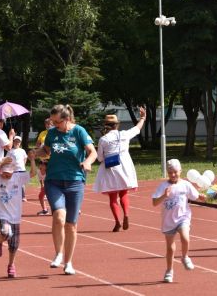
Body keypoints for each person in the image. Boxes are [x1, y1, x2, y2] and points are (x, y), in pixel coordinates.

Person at [36, 104, 97, 275]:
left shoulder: (79, 131)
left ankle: (68, 262)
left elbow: (93, 152)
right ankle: (58, 253)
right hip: (54, 181)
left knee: (71, 225)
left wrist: (87, 162)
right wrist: (35, 153)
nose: (53, 125)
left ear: (66, 119)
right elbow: (46, 150)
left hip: (75, 182)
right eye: (52, 122)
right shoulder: (53, 133)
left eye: (56, 122)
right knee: (58, 217)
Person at [152, 159, 206, 283]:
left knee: (185, 238)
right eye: (170, 172)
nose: (173, 175)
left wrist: (201, 197)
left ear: (180, 171)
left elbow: (195, 195)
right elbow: (154, 203)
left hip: (183, 217)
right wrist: (164, 195)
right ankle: (169, 271)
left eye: (175, 172)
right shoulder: (163, 186)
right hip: (168, 220)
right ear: (167, 172)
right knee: (170, 249)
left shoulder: (185, 185)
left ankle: (185, 257)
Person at [93, 107, 146, 232]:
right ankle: (126, 214)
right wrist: (143, 117)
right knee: (123, 194)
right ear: (117, 125)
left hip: (111, 168)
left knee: (113, 198)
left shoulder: (103, 139)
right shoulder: (124, 134)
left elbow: (100, 158)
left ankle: (117, 221)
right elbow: (137, 128)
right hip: (125, 166)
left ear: (106, 125)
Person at [0, 152, 36, 278]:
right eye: (4, 172)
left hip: (15, 215)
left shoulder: (18, 178)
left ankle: (11, 265)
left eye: (9, 173)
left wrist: (32, 160)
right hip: (2, 214)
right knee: (6, 232)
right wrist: (0, 163)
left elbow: (33, 173)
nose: (6, 175)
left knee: (14, 244)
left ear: (13, 171)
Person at [8, 136, 28, 202]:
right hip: (13, 170)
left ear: (20, 143)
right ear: (13, 142)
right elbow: (7, 159)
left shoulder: (22, 151)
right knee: (14, 183)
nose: (17, 143)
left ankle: (23, 196)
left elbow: (25, 158)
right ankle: (14, 196)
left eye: (18, 142)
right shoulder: (10, 151)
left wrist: (23, 165)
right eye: (15, 141)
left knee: (22, 184)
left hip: (22, 169)